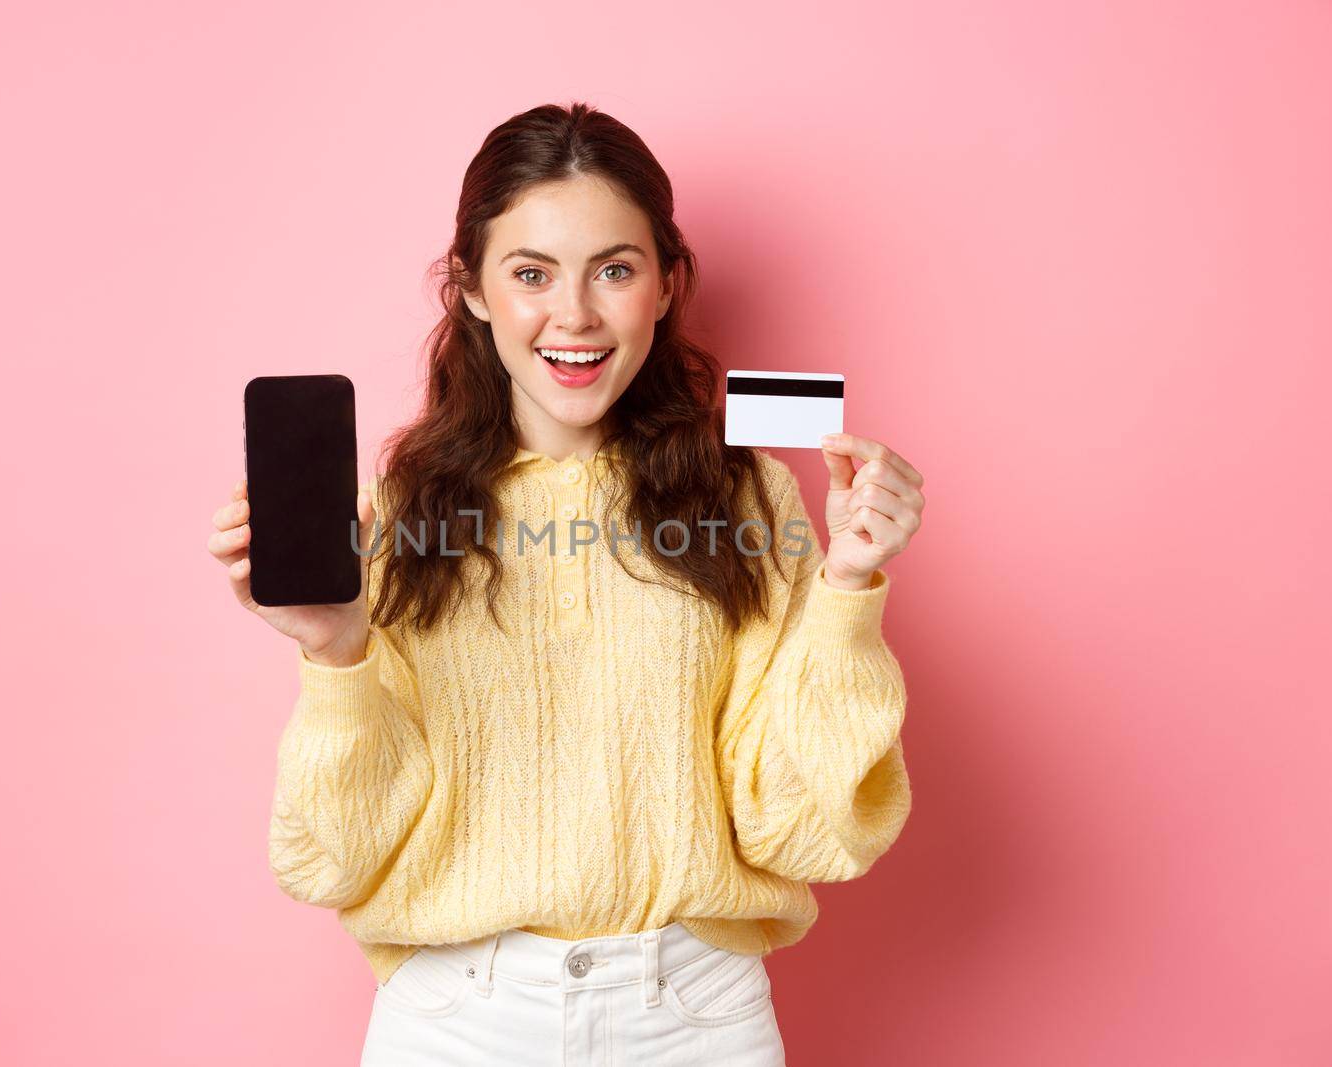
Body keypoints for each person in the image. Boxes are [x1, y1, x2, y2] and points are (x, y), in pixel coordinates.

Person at [207, 102, 926, 1066]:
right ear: (470, 287)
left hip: (693, 1019)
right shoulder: (388, 517)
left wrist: (846, 582)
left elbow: (800, 830)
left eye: (615, 270)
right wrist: (338, 650)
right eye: (532, 272)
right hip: (455, 1020)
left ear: (668, 286)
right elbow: (332, 858)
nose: (576, 315)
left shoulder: (747, 494)